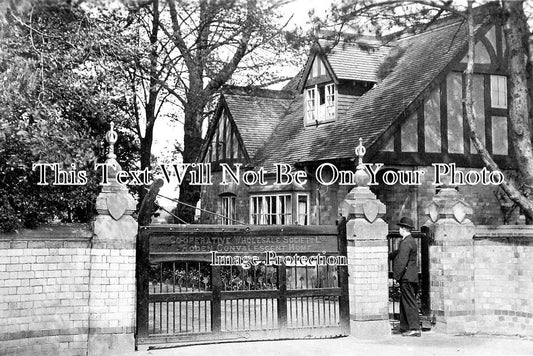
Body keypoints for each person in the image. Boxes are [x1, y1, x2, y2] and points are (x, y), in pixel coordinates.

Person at [389, 216, 421, 337]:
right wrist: (386, 255)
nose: (399, 230)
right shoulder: (409, 241)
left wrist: (396, 276)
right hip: (410, 276)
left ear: (403, 228)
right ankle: (404, 326)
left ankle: (414, 328)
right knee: (404, 301)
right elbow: (398, 253)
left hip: (407, 277)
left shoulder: (406, 242)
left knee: (409, 302)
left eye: (400, 228)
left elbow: (402, 261)